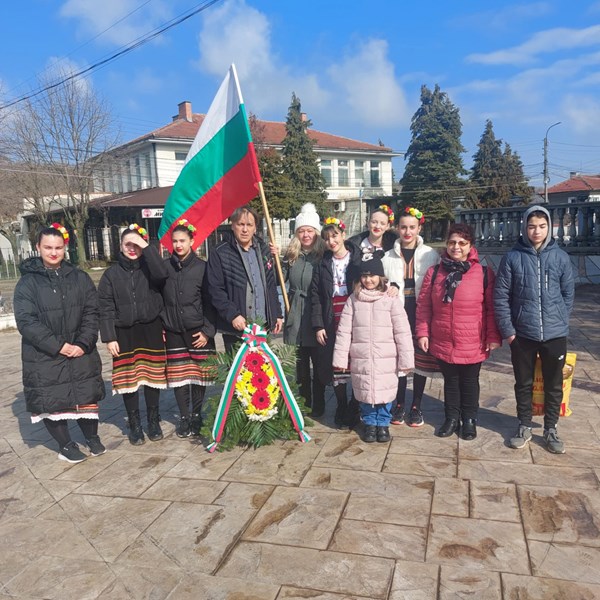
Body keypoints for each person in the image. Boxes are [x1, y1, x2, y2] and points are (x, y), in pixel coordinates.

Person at [14, 224, 106, 463]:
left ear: (65, 248)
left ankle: (92, 437)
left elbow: (92, 312)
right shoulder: (27, 283)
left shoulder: (80, 277)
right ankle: (65, 445)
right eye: (48, 248)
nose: (53, 253)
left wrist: (83, 343)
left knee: (85, 394)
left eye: (58, 248)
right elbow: (26, 321)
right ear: (38, 247)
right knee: (52, 399)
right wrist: (58, 346)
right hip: (45, 355)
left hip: (80, 350)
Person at [494, 205, 574, 454]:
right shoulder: (512, 257)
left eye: (541, 226)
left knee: (554, 384)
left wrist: (559, 320)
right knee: (523, 383)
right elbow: (501, 296)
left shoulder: (560, 257)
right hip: (522, 334)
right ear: (524, 228)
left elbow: (568, 293)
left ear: (548, 227)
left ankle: (551, 428)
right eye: (531, 226)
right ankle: (524, 425)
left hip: (555, 334)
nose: (536, 231)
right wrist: (509, 331)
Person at [416, 223, 501, 440]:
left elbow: (491, 309)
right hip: (443, 337)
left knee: (470, 382)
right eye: (452, 242)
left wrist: (493, 336)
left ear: (470, 246)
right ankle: (452, 418)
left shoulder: (483, 273)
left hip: (473, 339)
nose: (456, 247)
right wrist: (423, 332)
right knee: (451, 381)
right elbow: (424, 305)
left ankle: (469, 420)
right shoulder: (435, 272)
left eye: (462, 243)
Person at [98, 224, 169, 445]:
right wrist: (109, 337)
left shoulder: (150, 269)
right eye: (128, 244)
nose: (132, 248)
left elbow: (163, 273)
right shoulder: (110, 275)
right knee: (129, 379)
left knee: (152, 378)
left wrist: (146, 247)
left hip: (150, 329)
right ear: (120, 246)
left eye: (136, 244)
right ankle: (135, 423)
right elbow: (105, 306)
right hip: (124, 333)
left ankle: (153, 420)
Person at [333, 254, 414, 443]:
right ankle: (369, 423)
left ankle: (383, 423)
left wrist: (406, 360)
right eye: (365, 276)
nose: (368, 280)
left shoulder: (390, 299)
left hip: (386, 358)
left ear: (380, 277)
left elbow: (402, 331)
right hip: (361, 356)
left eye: (372, 275)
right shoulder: (353, 300)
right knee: (365, 390)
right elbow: (344, 331)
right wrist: (340, 359)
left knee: (385, 391)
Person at [382, 206, 440, 427]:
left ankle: (416, 405)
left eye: (412, 227)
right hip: (398, 313)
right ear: (397, 228)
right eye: (403, 227)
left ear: (419, 228)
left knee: (420, 359)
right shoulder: (387, 257)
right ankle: (399, 403)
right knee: (399, 359)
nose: (407, 232)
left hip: (421, 312)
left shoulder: (430, 255)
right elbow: (380, 284)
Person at [162, 220, 216, 438]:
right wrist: (162, 324)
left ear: (192, 241)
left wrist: (207, 331)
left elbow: (211, 301)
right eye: (175, 241)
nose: (178, 245)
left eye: (182, 240)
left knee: (198, 376)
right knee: (180, 376)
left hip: (197, 331)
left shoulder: (203, 268)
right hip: (173, 331)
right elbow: (157, 297)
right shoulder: (165, 268)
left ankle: (196, 415)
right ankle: (184, 417)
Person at [206, 205, 283, 353]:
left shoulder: (264, 250)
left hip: (262, 326)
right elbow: (215, 290)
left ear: (255, 227)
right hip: (236, 327)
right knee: (238, 367)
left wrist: (277, 313)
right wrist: (232, 315)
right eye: (241, 224)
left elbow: (271, 285)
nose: (245, 229)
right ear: (232, 225)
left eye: (249, 225)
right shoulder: (220, 252)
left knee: (263, 367)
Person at [310, 217, 362, 428]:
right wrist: (319, 325)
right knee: (337, 360)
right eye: (326, 238)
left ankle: (355, 406)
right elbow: (315, 295)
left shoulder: (357, 259)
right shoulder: (323, 263)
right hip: (331, 314)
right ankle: (341, 405)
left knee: (356, 360)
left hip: (354, 313)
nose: (331, 241)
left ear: (343, 235)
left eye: (334, 236)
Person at [282, 203, 327, 416]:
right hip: (296, 315)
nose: (306, 235)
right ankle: (303, 402)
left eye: (310, 230)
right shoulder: (292, 256)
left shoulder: (323, 256)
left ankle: (319, 403)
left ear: (316, 232)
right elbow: (279, 280)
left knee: (318, 363)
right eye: (301, 231)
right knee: (300, 365)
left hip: (315, 313)